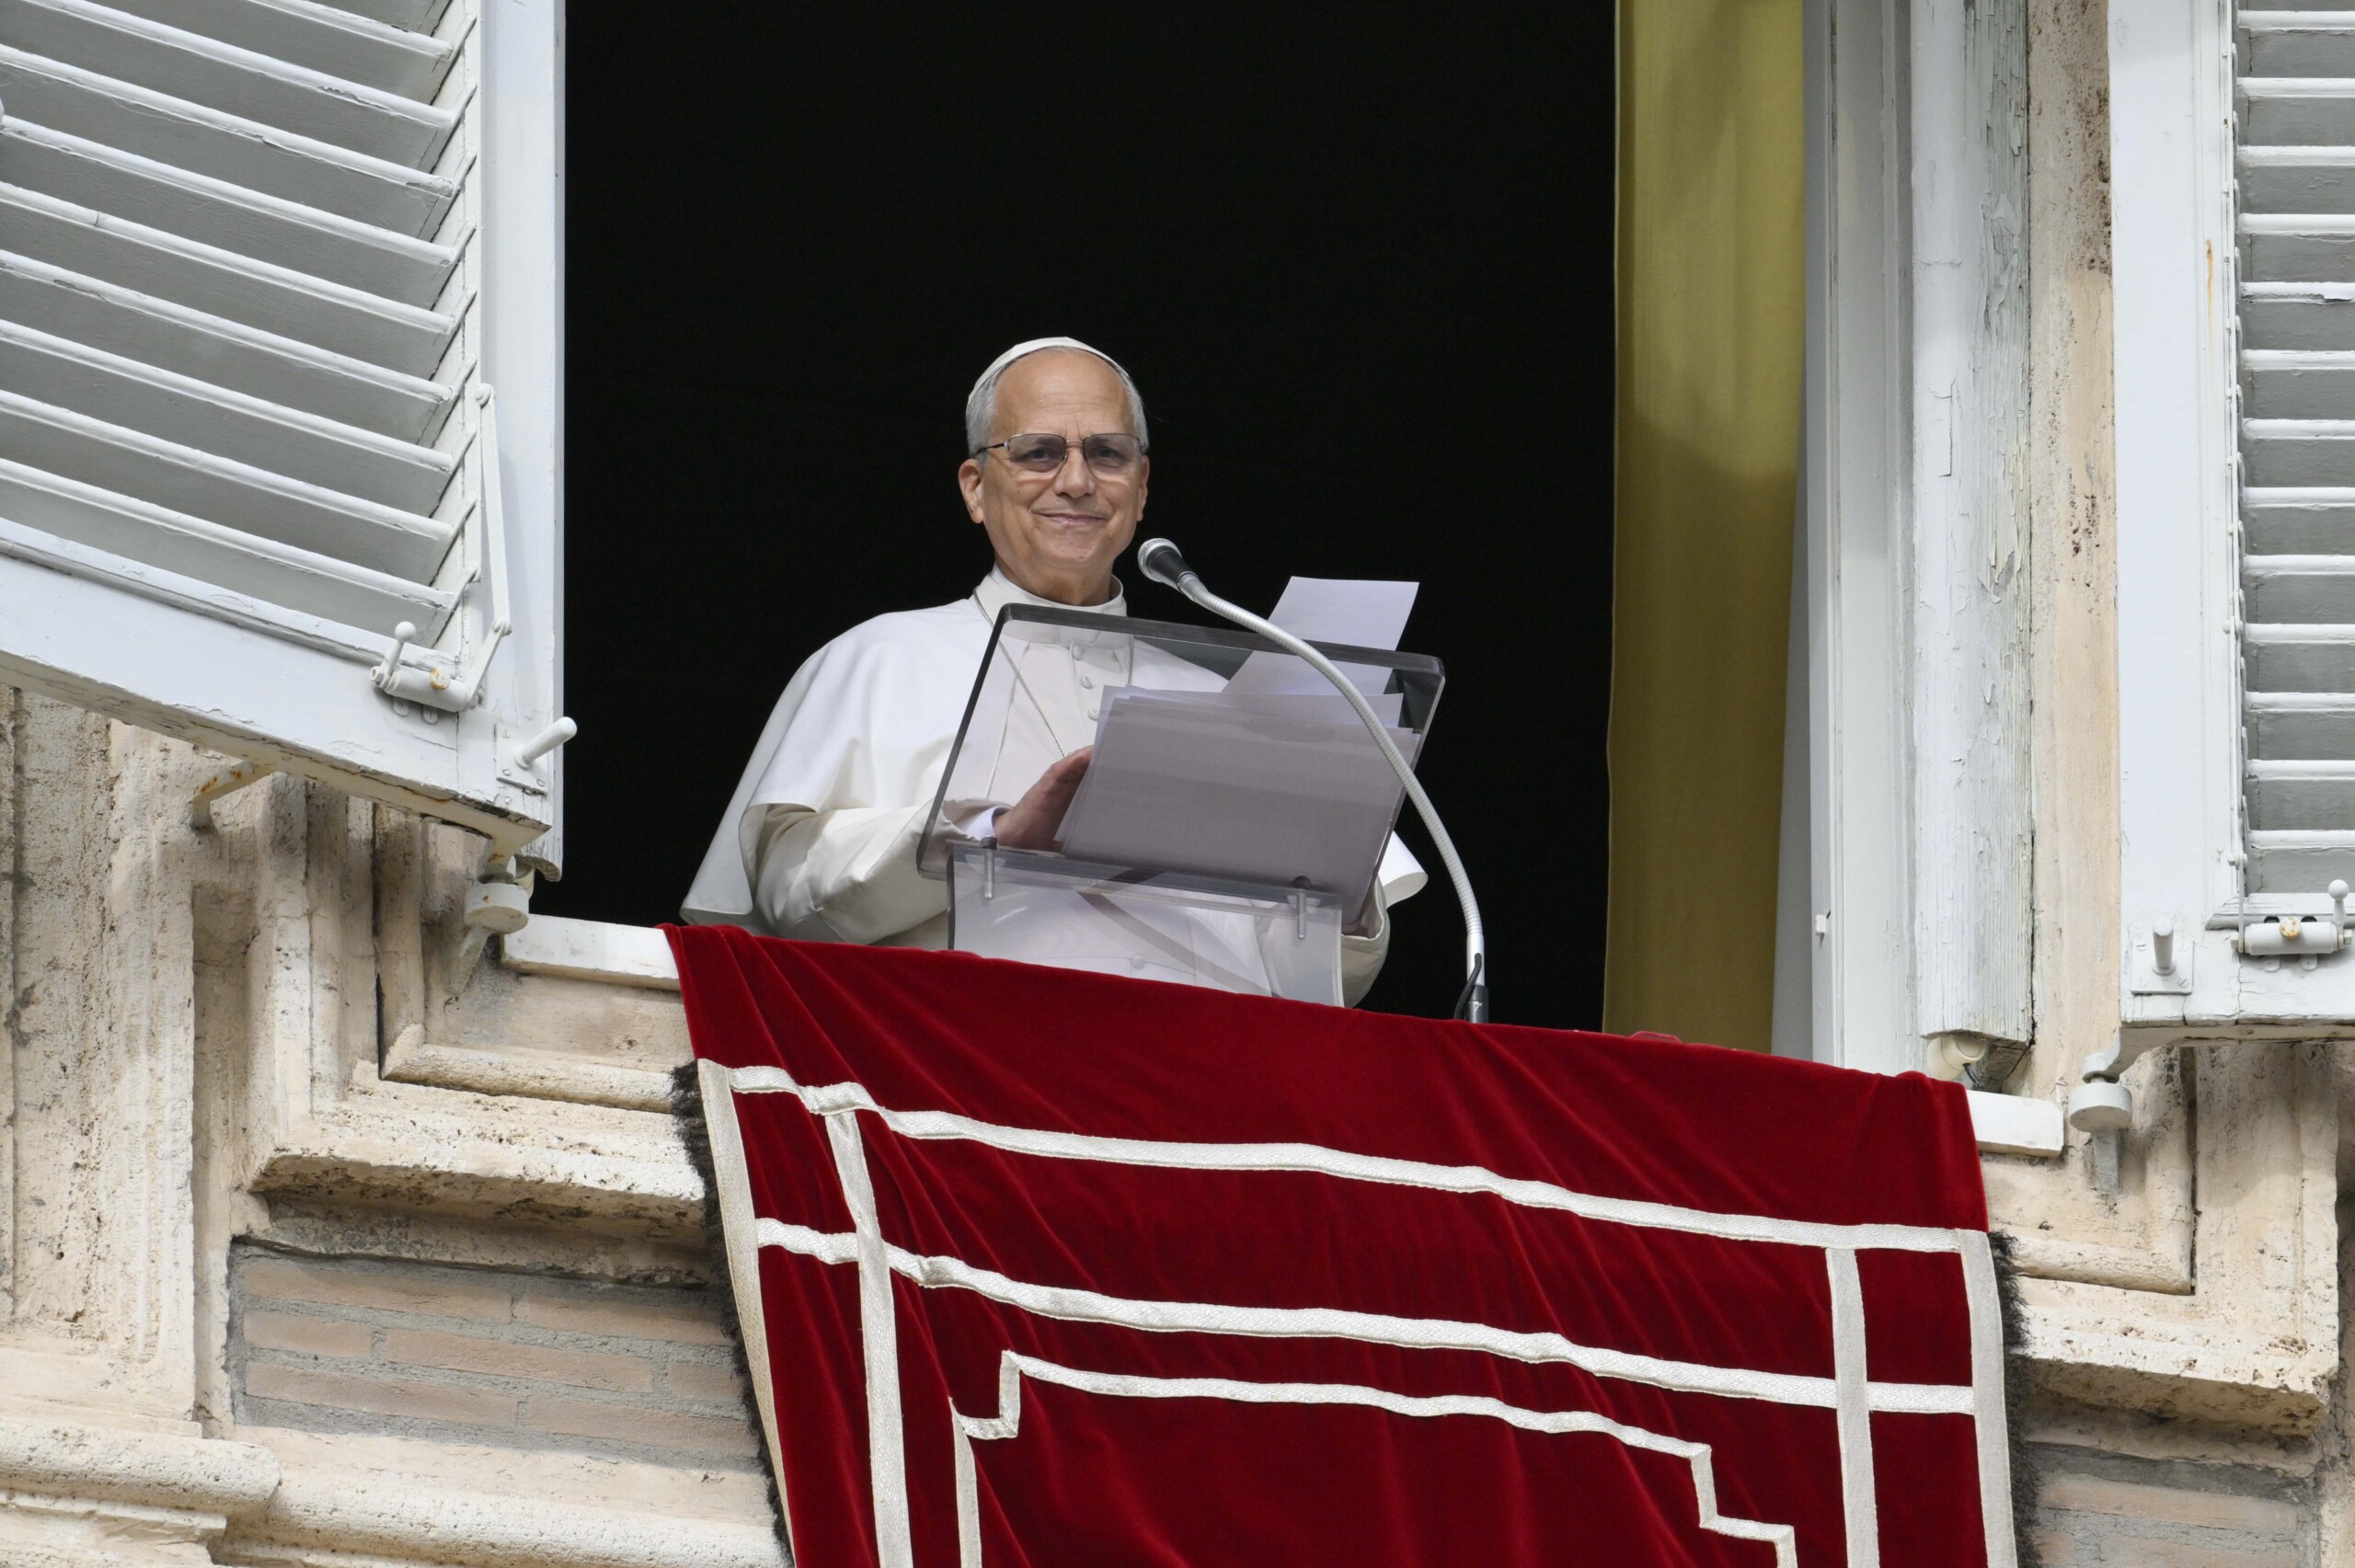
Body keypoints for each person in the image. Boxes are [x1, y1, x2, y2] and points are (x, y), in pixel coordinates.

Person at [682, 338, 1415, 1003]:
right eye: (1037, 452)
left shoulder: (1221, 700)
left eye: (1107, 453)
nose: (1075, 481)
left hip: (1205, 1080)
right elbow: (785, 892)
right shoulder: (877, 657)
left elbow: (1319, 980)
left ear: (1143, 484)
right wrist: (990, 838)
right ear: (975, 486)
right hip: (972, 1071)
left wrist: (1336, 894)